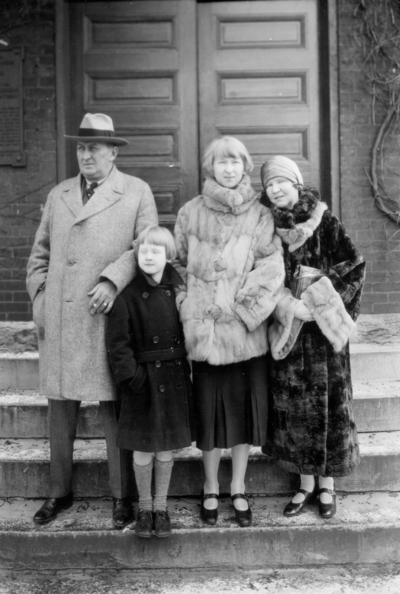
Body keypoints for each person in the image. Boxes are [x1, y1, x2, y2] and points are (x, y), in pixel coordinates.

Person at [26, 113, 158, 528]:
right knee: (60, 410)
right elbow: (39, 256)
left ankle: (122, 497)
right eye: (81, 147)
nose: (86, 155)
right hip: (62, 319)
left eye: (94, 148)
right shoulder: (59, 193)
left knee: (113, 408)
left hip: (107, 316)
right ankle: (58, 492)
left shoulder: (135, 192)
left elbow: (148, 247)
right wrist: (41, 300)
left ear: (113, 152)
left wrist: (112, 280)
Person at [174, 136, 285, 527]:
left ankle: (237, 487)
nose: (229, 168)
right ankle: (209, 487)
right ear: (210, 168)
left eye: (235, 161)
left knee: (239, 416)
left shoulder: (260, 215)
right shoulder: (190, 213)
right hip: (204, 337)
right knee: (208, 416)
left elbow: (272, 270)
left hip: (243, 337)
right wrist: (188, 308)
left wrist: (242, 312)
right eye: (221, 162)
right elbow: (176, 269)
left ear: (245, 166)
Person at [260, 155, 366, 519]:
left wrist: (318, 299)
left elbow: (354, 265)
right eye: (269, 183)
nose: (275, 189)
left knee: (329, 409)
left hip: (323, 335)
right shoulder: (263, 227)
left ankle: (327, 488)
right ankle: (304, 487)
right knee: (296, 410)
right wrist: (289, 307)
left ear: (296, 183)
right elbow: (259, 279)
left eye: (281, 182)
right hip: (289, 333)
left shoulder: (326, 221)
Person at [106, 225, 196, 539]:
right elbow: (119, 345)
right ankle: (144, 508)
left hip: (172, 378)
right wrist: (134, 377)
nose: (148, 256)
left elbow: (192, 328)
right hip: (143, 382)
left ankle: (161, 507)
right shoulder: (127, 295)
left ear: (168, 256)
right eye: (143, 250)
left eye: (156, 251)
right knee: (143, 449)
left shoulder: (180, 290)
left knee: (166, 449)